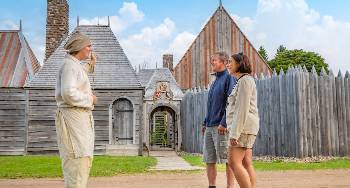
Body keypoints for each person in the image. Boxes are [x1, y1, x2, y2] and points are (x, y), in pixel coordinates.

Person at [55, 31, 97, 188]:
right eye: (88, 46)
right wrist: (90, 99)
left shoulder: (73, 65)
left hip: (78, 119)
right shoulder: (69, 66)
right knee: (77, 160)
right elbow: (68, 93)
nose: (91, 49)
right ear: (80, 47)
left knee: (83, 160)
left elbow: (80, 73)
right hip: (72, 119)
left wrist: (90, 64)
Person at [202, 52, 237, 188]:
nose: (212, 62)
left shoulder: (229, 79)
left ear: (223, 62)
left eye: (214, 60)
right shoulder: (215, 81)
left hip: (221, 127)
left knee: (228, 159)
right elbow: (212, 105)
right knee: (209, 159)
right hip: (210, 127)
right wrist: (205, 122)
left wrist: (223, 123)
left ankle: (230, 186)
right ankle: (212, 185)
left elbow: (231, 103)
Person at [226, 53, 259, 188]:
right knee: (246, 163)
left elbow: (242, 109)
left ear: (239, 64)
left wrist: (234, 133)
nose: (228, 65)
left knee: (234, 162)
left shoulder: (245, 81)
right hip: (246, 128)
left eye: (231, 62)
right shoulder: (244, 80)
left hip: (243, 129)